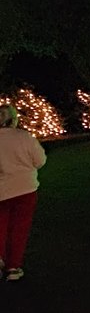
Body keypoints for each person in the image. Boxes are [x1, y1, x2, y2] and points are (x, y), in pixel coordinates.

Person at [0, 104, 46, 282]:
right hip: (24, 189)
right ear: (14, 119)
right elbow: (40, 161)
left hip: (2, 191)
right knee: (19, 228)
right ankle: (13, 267)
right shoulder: (24, 137)